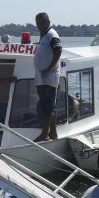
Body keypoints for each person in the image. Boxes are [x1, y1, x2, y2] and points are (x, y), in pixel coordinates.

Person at [33, 12, 62, 142]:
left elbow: (58, 50)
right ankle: (53, 133)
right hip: (42, 76)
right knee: (47, 105)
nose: (39, 25)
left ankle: (45, 133)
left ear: (48, 21)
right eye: (38, 23)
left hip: (49, 76)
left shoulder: (51, 34)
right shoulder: (43, 35)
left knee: (48, 105)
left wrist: (49, 68)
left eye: (42, 23)